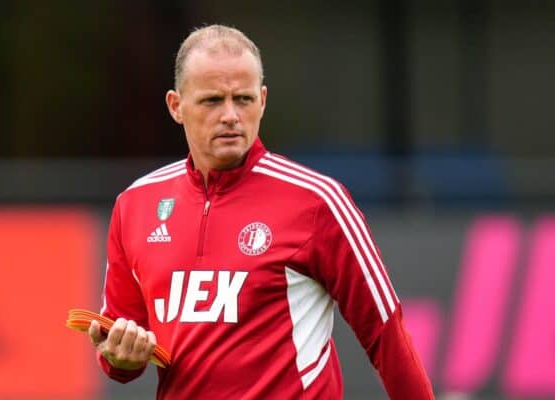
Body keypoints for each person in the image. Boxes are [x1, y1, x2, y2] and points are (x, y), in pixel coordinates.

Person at [89, 24, 435, 399]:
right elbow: (119, 352)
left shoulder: (317, 201)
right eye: (211, 100)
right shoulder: (135, 204)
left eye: (243, 99)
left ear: (263, 100)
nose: (231, 115)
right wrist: (119, 358)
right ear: (176, 106)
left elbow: (387, 333)